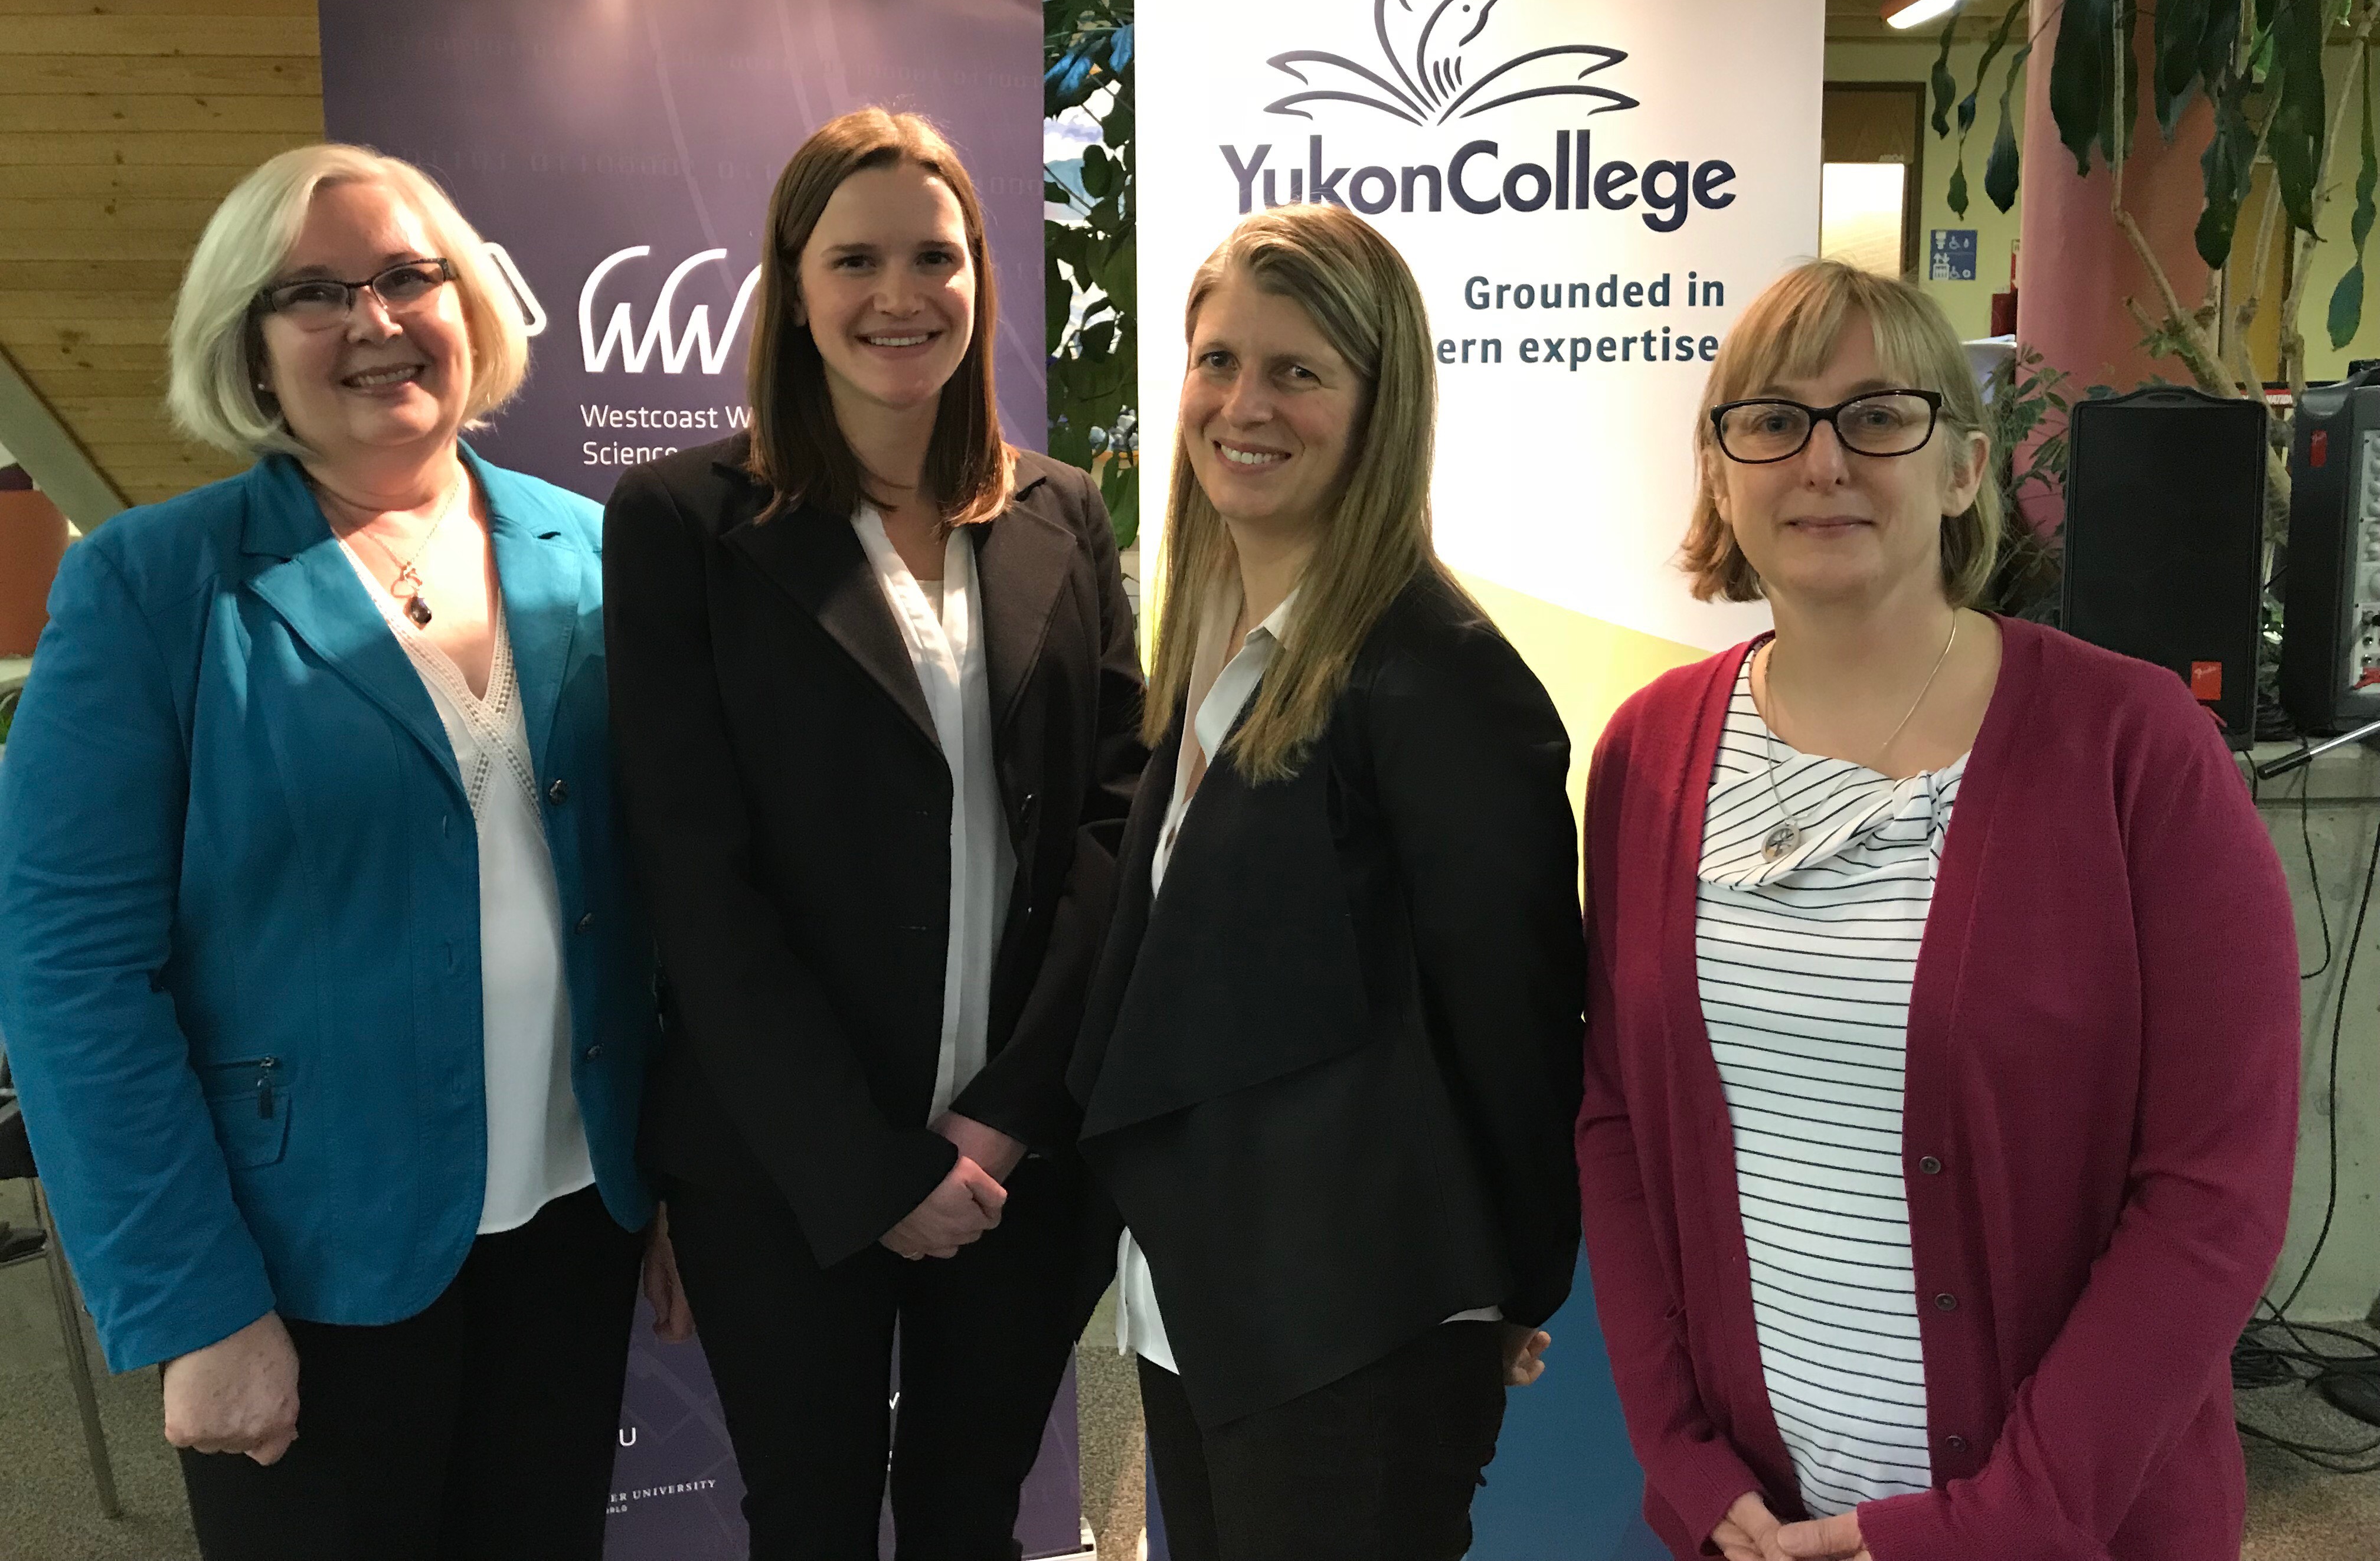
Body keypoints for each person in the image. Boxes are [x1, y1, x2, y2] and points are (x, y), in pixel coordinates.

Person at [0, 143, 678, 1561]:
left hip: (571, 1224)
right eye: (311, 293)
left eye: (407, 277)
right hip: (301, 1261)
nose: (374, 322)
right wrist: (196, 1306)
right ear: (250, 347)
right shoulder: (152, 585)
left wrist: (679, 1179)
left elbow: (665, 902)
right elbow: (70, 977)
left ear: (469, 300)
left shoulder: (601, 552)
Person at [1575, 259, 2300, 1561]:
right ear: (1722, 472)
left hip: (2065, 1531)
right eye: (1773, 420)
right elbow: (1619, 1124)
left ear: (1965, 468)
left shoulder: (2134, 750)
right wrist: (1678, 1454)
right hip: (1757, 1525)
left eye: (1878, 415)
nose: (1823, 460)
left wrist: (2002, 1519)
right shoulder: (1646, 756)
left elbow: (2217, 1192)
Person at [602, 107, 1144, 1560]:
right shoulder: (680, 524)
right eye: (856, 259)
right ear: (792, 286)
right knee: (813, 1518)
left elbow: (1110, 825)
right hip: (785, 1163)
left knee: (975, 1517)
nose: (901, 295)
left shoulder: (1062, 514)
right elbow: (695, 879)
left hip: (1019, 1154)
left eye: (935, 256)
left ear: (979, 276)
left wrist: (1003, 1119)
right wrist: (867, 1169)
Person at [1067, 205, 1587, 1561]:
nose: (1246, 404)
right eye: (1221, 360)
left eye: (1299, 371)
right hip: (1205, 1304)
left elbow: (1518, 1019)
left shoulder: (1441, 676)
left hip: (1360, 1326)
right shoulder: (1215, 655)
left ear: (1378, 403)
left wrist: (1514, 1283)